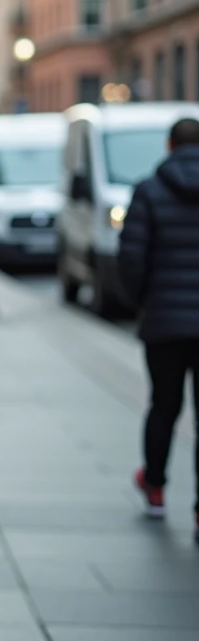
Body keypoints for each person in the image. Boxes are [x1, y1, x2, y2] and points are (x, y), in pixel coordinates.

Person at [118, 117, 199, 541]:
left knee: (163, 407)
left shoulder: (149, 190)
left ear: (169, 145)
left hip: (165, 321)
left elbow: (131, 258)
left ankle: (155, 487)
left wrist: (144, 301)